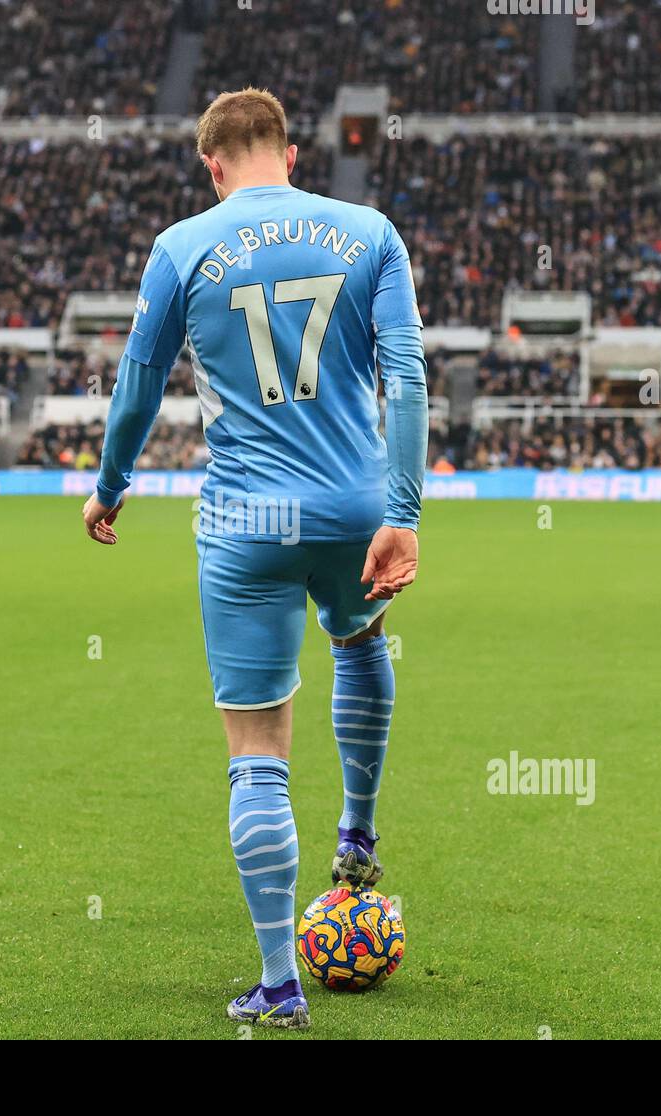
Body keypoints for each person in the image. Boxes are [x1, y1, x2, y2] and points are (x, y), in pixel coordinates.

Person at [81, 88, 428, 1030]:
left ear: (212, 164)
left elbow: (139, 385)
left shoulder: (182, 247)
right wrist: (404, 512)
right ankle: (357, 833)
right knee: (361, 644)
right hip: (355, 507)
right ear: (291, 152)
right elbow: (406, 373)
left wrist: (110, 486)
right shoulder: (369, 232)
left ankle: (279, 985)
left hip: (246, 520)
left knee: (258, 752)